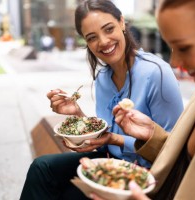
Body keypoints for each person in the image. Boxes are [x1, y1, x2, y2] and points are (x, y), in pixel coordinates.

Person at [19, 0, 183, 199]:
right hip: (109, 160)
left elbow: (173, 149)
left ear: (122, 22)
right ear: (85, 42)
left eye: (109, 29)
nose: (103, 41)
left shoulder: (157, 73)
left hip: (148, 175)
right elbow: (105, 139)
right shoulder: (103, 78)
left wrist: (115, 139)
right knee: (42, 167)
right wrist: (78, 115)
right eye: (92, 37)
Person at [92, 0, 195, 199]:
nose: (174, 62)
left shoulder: (155, 71)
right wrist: (151, 135)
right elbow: (181, 161)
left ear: (122, 23)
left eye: (183, 48)